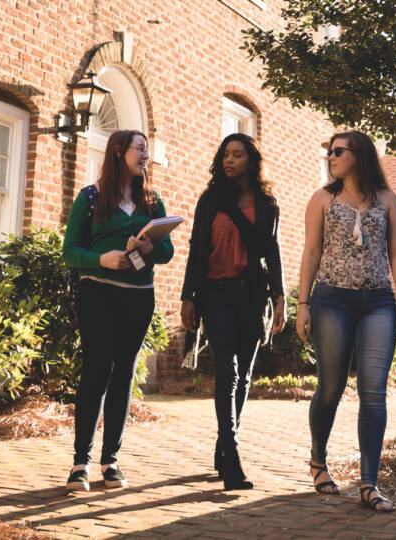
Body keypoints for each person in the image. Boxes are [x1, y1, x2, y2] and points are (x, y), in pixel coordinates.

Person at [296, 131, 396, 512]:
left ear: (359, 155)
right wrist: (302, 304)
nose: (331, 156)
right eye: (329, 151)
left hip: (378, 301)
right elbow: (312, 252)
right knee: (330, 389)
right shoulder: (322, 199)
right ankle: (318, 459)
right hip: (331, 300)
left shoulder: (388, 200)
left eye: (339, 151)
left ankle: (369, 483)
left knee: (374, 392)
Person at [62, 129, 174, 491]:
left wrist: (147, 246)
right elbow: (70, 251)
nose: (146, 154)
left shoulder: (152, 202)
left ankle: (111, 462)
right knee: (98, 368)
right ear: (118, 152)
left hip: (139, 296)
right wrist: (102, 260)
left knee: (124, 371)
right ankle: (81, 463)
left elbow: (167, 252)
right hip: (98, 292)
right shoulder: (90, 198)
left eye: (146, 149)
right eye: (140, 148)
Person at [180, 133, 285, 490]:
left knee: (245, 376)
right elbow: (196, 249)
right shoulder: (210, 201)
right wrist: (187, 296)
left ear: (251, 161)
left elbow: (270, 251)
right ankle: (233, 453)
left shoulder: (267, 203)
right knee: (228, 369)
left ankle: (223, 442)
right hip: (216, 292)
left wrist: (281, 297)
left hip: (253, 295)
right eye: (226, 154)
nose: (229, 160)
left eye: (237, 155)